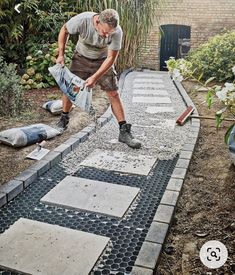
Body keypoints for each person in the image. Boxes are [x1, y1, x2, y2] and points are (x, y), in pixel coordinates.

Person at [56, 9, 141, 149]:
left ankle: (124, 132)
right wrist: (61, 54)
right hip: (81, 58)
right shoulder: (82, 21)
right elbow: (64, 30)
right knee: (69, 89)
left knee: (113, 93)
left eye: (110, 33)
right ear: (97, 22)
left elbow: (111, 58)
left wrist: (95, 77)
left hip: (103, 61)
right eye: (104, 32)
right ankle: (63, 119)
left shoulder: (117, 31)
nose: (107, 36)